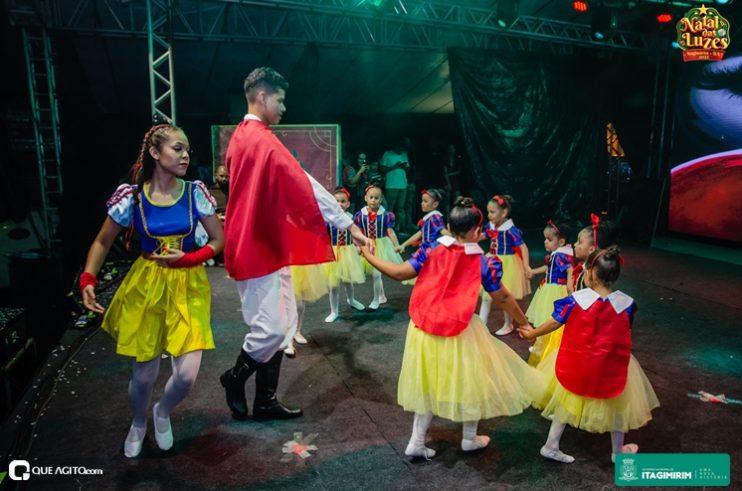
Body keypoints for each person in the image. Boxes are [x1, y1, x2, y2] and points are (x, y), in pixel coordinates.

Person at [219, 67, 368, 421]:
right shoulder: (259, 139)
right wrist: (348, 225)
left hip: (266, 243)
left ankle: (266, 399)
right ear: (262, 97)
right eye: (281, 99)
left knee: (283, 325)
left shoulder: (245, 136)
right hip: (257, 246)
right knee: (270, 329)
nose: (284, 107)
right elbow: (306, 186)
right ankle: (234, 378)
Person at [359, 197, 544, 459]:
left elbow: (399, 273)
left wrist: (367, 254)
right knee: (473, 379)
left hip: (423, 328)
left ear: (448, 225)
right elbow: (502, 297)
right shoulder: (481, 261)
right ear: (477, 231)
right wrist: (523, 323)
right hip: (459, 330)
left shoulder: (432, 248)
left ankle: (417, 440)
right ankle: (468, 438)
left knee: (427, 382)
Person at [79, 123, 224, 458]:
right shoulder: (132, 197)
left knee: (187, 375)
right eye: (177, 148)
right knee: (143, 376)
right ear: (156, 153)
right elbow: (102, 242)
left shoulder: (195, 193)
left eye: (188, 149)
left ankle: (161, 412)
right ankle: (138, 422)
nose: (186, 155)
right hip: (147, 283)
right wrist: (88, 279)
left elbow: (219, 240)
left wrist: (189, 258)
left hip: (188, 284)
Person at [517, 246, 659, 464]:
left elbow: (555, 321)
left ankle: (551, 445)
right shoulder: (627, 305)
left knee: (567, 397)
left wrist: (532, 334)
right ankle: (617, 452)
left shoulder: (576, 300)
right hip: (610, 362)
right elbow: (624, 328)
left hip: (578, 360)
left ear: (590, 274)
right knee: (617, 401)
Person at [478, 195, 532, 336]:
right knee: (486, 295)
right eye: (488, 212)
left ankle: (508, 324)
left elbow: (523, 247)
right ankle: (482, 325)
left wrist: (526, 266)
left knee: (506, 295)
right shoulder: (491, 226)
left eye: (492, 212)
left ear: (504, 213)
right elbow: (483, 236)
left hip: (507, 264)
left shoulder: (510, 230)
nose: (489, 215)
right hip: (491, 260)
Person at [525, 220, 574, 366]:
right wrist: (533, 271)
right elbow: (549, 268)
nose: (545, 242)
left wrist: (570, 288)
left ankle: (544, 348)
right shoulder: (556, 254)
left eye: (549, 239)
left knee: (549, 319)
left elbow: (570, 269)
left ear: (561, 241)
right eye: (545, 238)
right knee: (545, 318)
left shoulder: (561, 256)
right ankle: (541, 345)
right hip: (548, 288)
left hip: (555, 291)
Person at [354, 184, 403, 310]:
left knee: (376, 274)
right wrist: (358, 246)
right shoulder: (360, 215)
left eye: (377, 198)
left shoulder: (385, 215)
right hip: (367, 244)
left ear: (381, 200)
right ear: (366, 198)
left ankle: (375, 300)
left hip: (381, 245)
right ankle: (381, 296)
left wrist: (397, 245)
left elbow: (390, 232)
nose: (374, 200)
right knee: (374, 274)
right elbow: (358, 232)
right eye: (371, 197)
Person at [324, 187, 366, 323]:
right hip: (333, 253)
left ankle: (351, 299)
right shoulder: (328, 219)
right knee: (333, 284)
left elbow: (355, 235)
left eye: (343, 201)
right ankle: (334, 311)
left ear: (348, 204)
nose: (340, 204)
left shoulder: (351, 219)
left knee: (348, 280)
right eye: (336, 201)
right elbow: (323, 237)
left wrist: (358, 246)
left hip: (348, 252)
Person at [395, 188, 448, 254]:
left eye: (425, 201)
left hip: (432, 251)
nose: (422, 203)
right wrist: (403, 245)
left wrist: (457, 239)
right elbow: (419, 234)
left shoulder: (434, 217)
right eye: (422, 201)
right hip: (426, 249)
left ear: (435, 204)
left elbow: (442, 231)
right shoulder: (429, 217)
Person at [381, 140, 411, 232]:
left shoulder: (404, 154)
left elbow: (408, 170)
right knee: (390, 206)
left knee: (401, 207)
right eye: (399, 148)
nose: (401, 150)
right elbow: (382, 169)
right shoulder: (387, 154)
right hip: (391, 184)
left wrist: (403, 167)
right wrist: (395, 166)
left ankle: (400, 227)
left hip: (403, 184)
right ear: (395, 146)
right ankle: (389, 227)